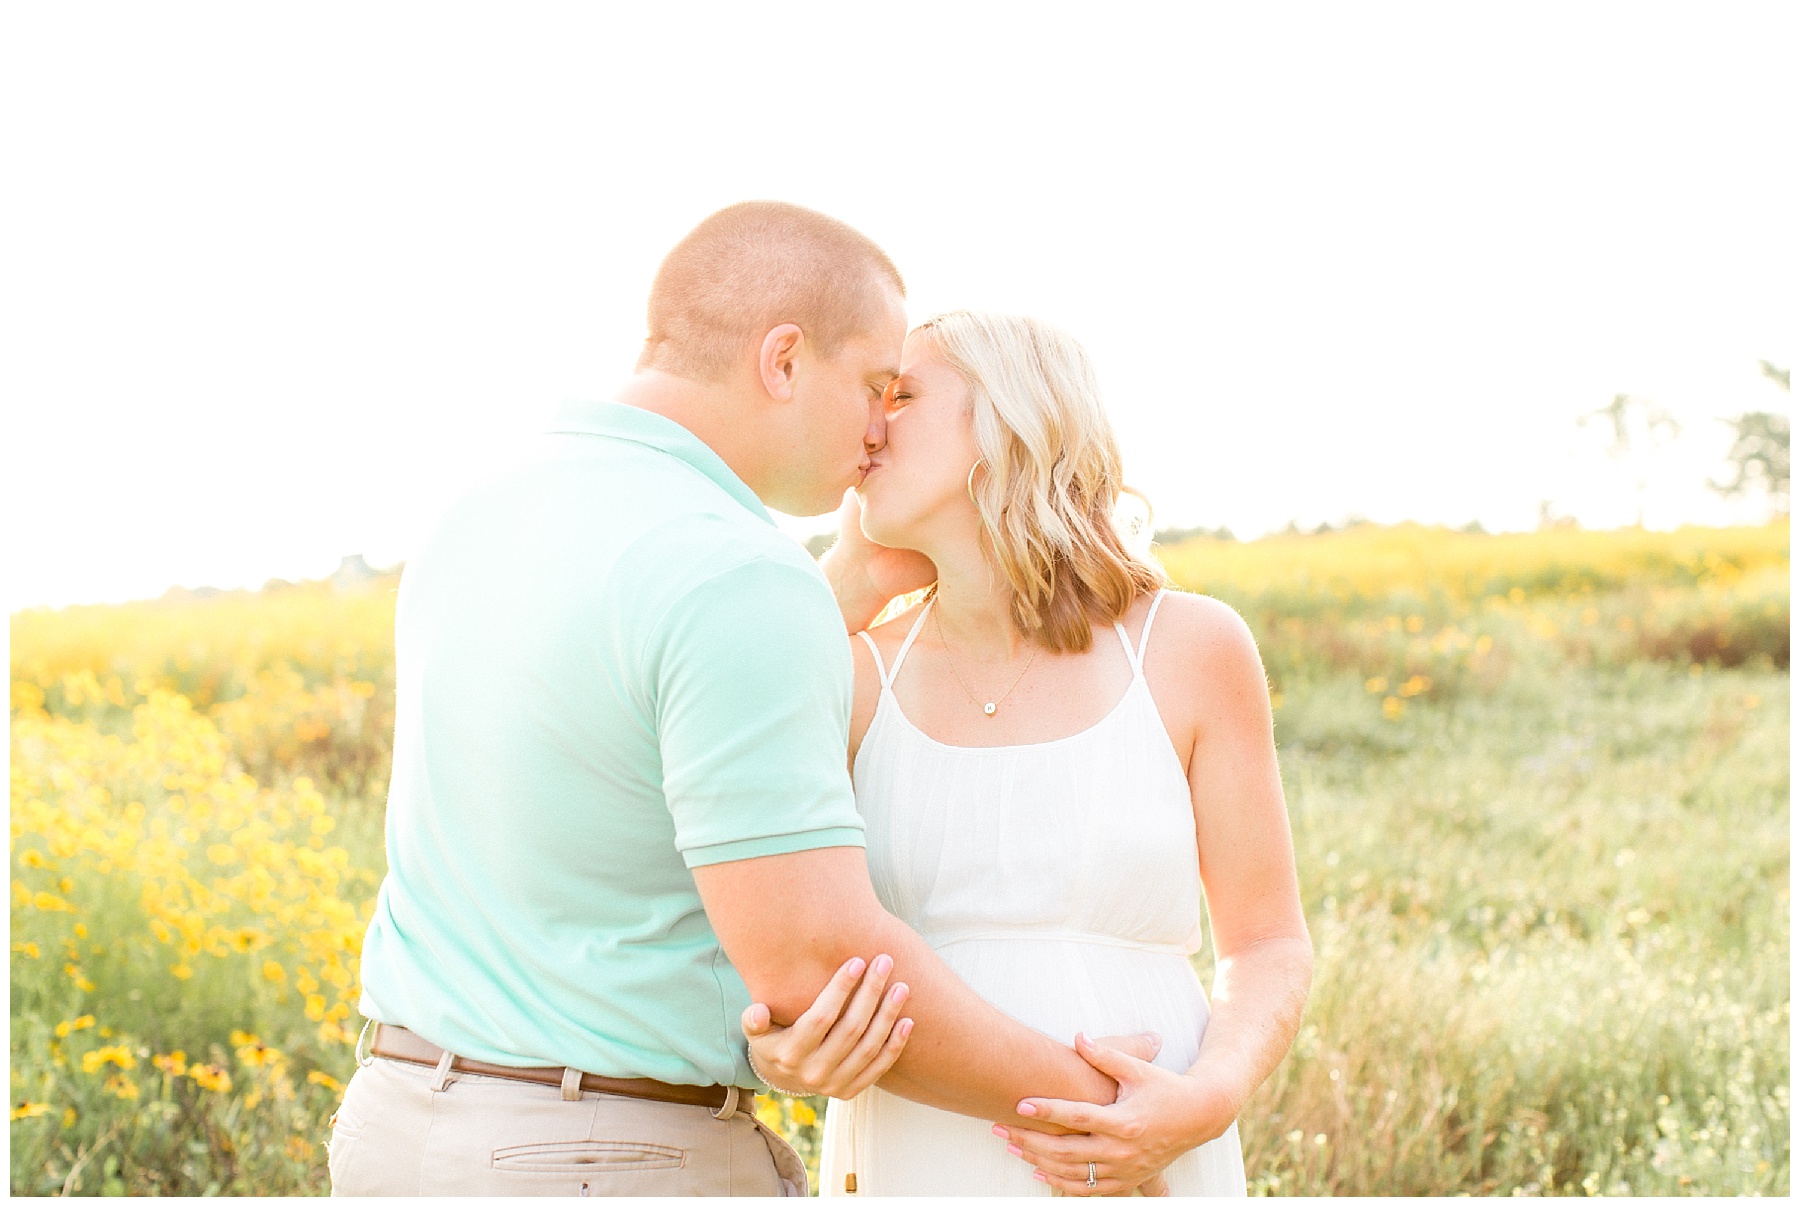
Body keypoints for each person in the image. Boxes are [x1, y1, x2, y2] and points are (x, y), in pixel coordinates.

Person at [328, 203, 1153, 1197]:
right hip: (599, 1157)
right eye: (873, 385)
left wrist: (831, 594)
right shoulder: (735, 574)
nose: (878, 426)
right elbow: (817, 963)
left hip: (400, 1123)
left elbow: (628, 703)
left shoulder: (482, 507)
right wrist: (1102, 1105)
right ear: (784, 360)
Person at [745, 311, 1314, 1195]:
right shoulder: (852, 674)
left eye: (901, 394)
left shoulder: (1192, 648)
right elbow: (772, 923)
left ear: (1007, 419)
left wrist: (1209, 1098)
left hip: (1145, 1150)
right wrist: (788, 1040)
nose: (869, 425)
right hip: (914, 1146)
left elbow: (1269, 940)